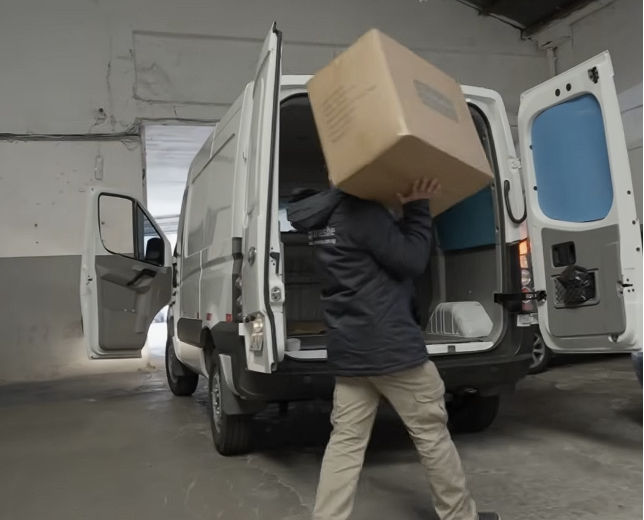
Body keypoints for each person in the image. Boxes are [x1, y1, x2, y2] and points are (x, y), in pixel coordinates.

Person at [287, 178, 500, 520]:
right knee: (431, 434)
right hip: (392, 349)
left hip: (350, 349)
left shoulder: (323, 216)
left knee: (346, 442)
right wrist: (417, 207)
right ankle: (460, 517)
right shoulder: (362, 212)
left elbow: (373, 258)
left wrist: (396, 217)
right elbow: (412, 260)